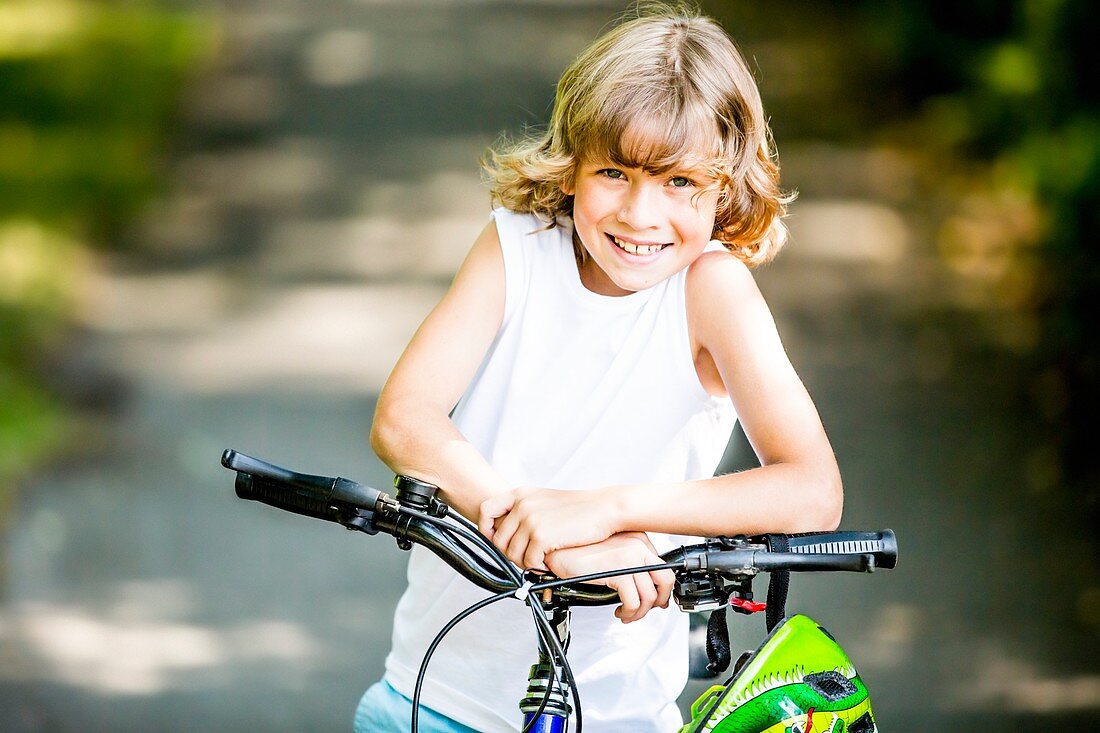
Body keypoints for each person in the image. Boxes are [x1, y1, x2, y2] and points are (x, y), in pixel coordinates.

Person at [356, 4, 843, 732]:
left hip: (610, 712)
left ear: (724, 188)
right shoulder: (518, 247)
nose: (640, 214)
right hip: (430, 697)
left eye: (680, 182)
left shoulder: (712, 291)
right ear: (573, 166)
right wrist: (549, 533)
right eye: (614, 171)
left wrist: (611, 514)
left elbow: (811, 489)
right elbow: (404, 417)